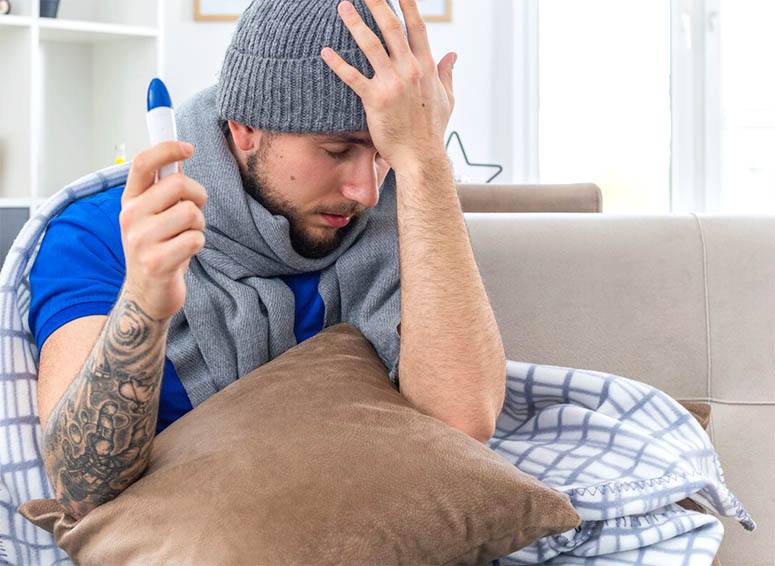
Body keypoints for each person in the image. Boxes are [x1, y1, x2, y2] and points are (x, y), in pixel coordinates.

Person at [29, 0, 506, 521]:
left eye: (382, 153)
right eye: (337, 150)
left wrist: (424, 160)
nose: (366, 191)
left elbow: (462, 422)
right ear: (244, 130)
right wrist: (144, 301)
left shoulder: (407, 216)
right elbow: (79, 489)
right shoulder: (98, 234)